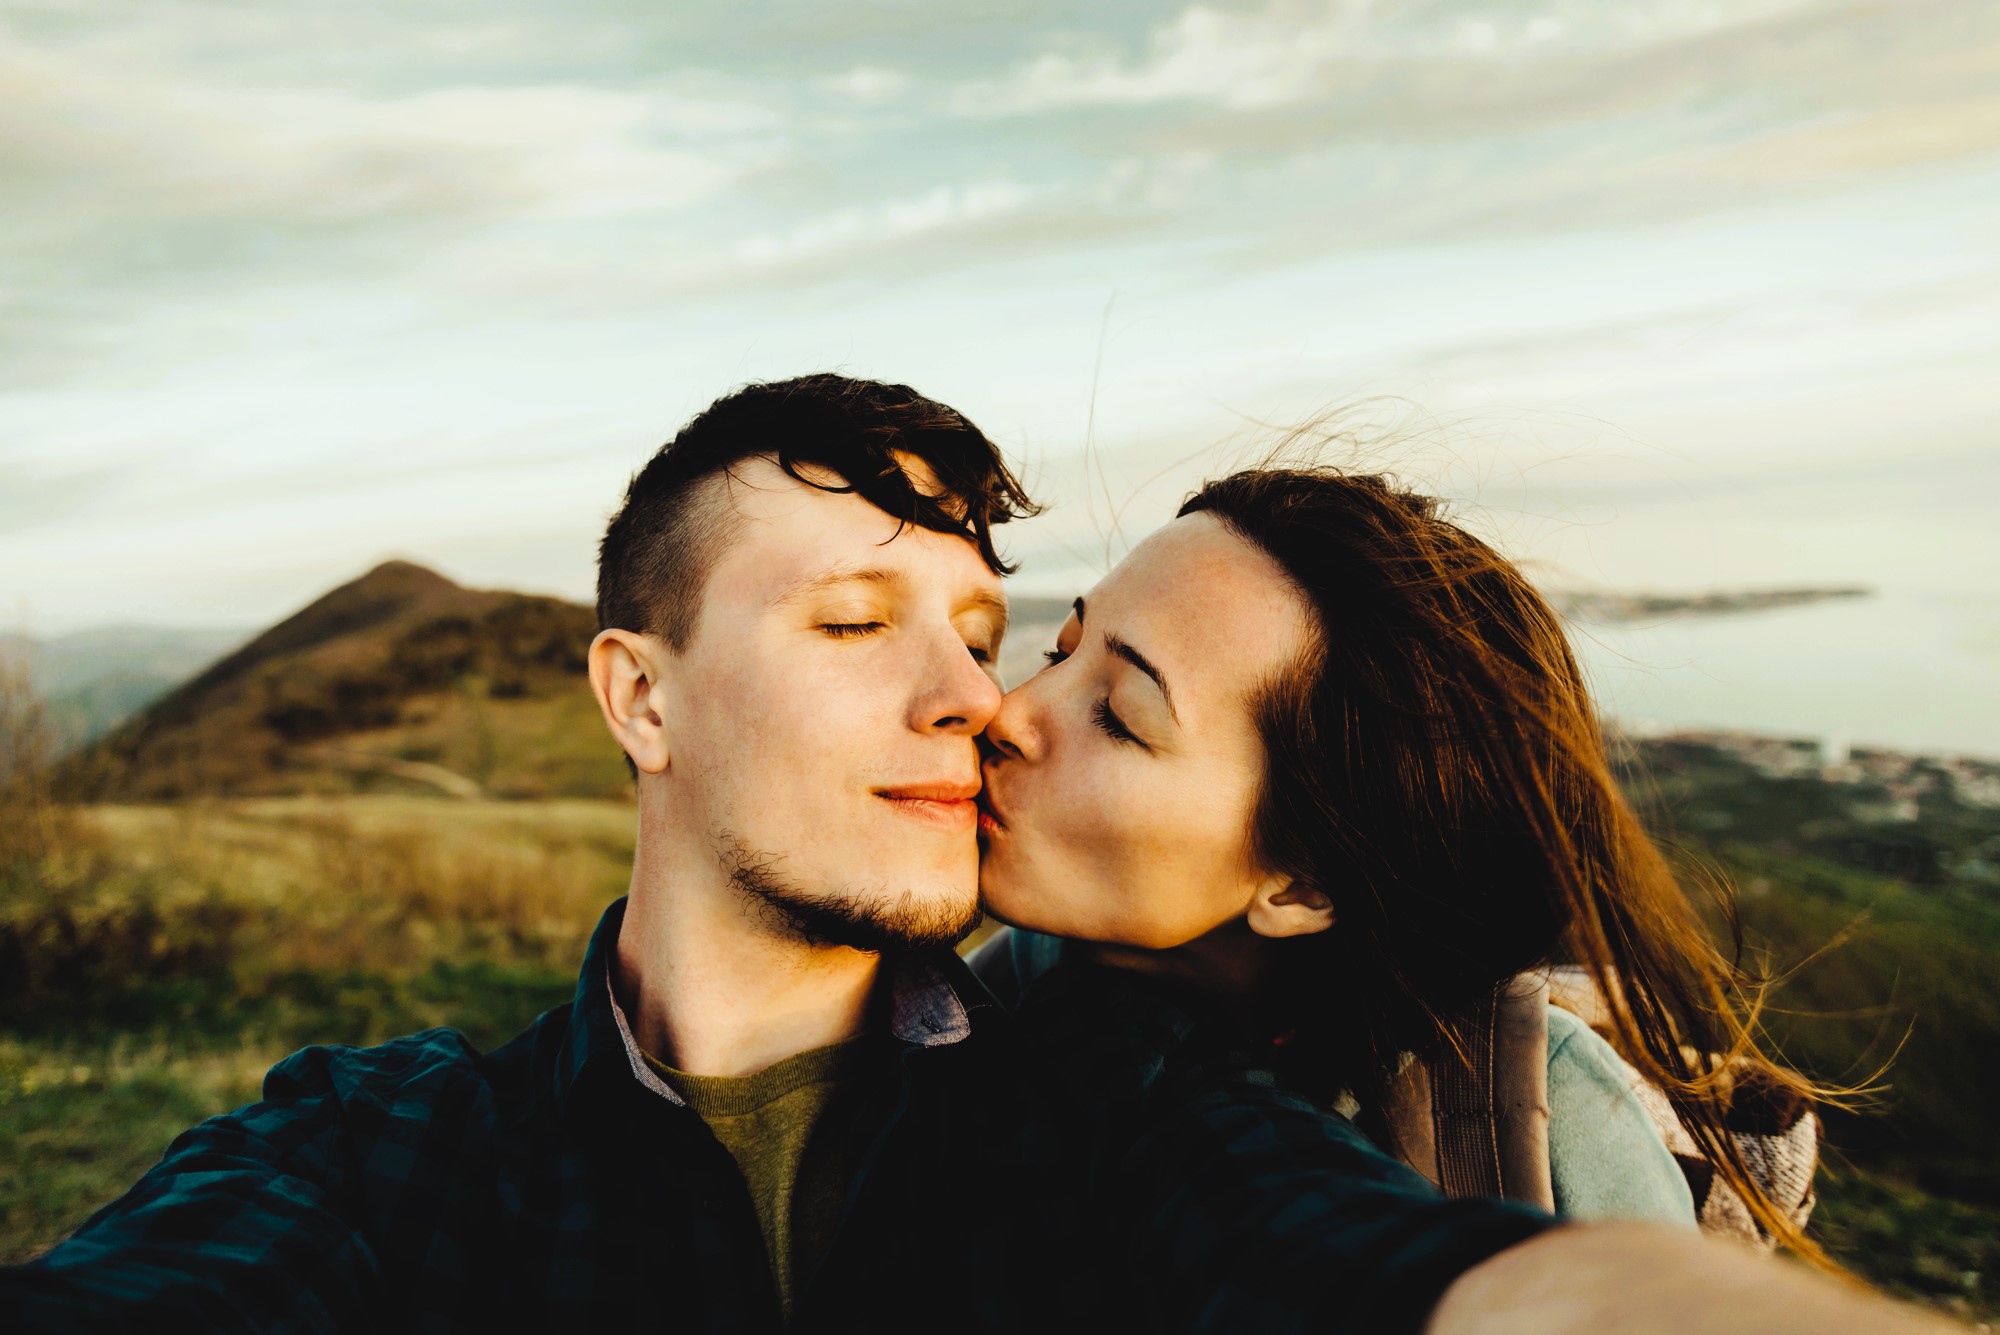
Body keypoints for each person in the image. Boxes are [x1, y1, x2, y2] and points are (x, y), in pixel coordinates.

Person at [1, 374, 1041, 1330]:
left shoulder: (1095, 1129)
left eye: (979, 641)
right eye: (854, 623)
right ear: (641, 700)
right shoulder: (377, 1159)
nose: (971, 698)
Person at [960, 463, 1957, 1332]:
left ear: (1304, 883)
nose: (1003, 713)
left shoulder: (1545, 1130)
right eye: (1059, 653)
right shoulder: (998, 989)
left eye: (1121, 718)